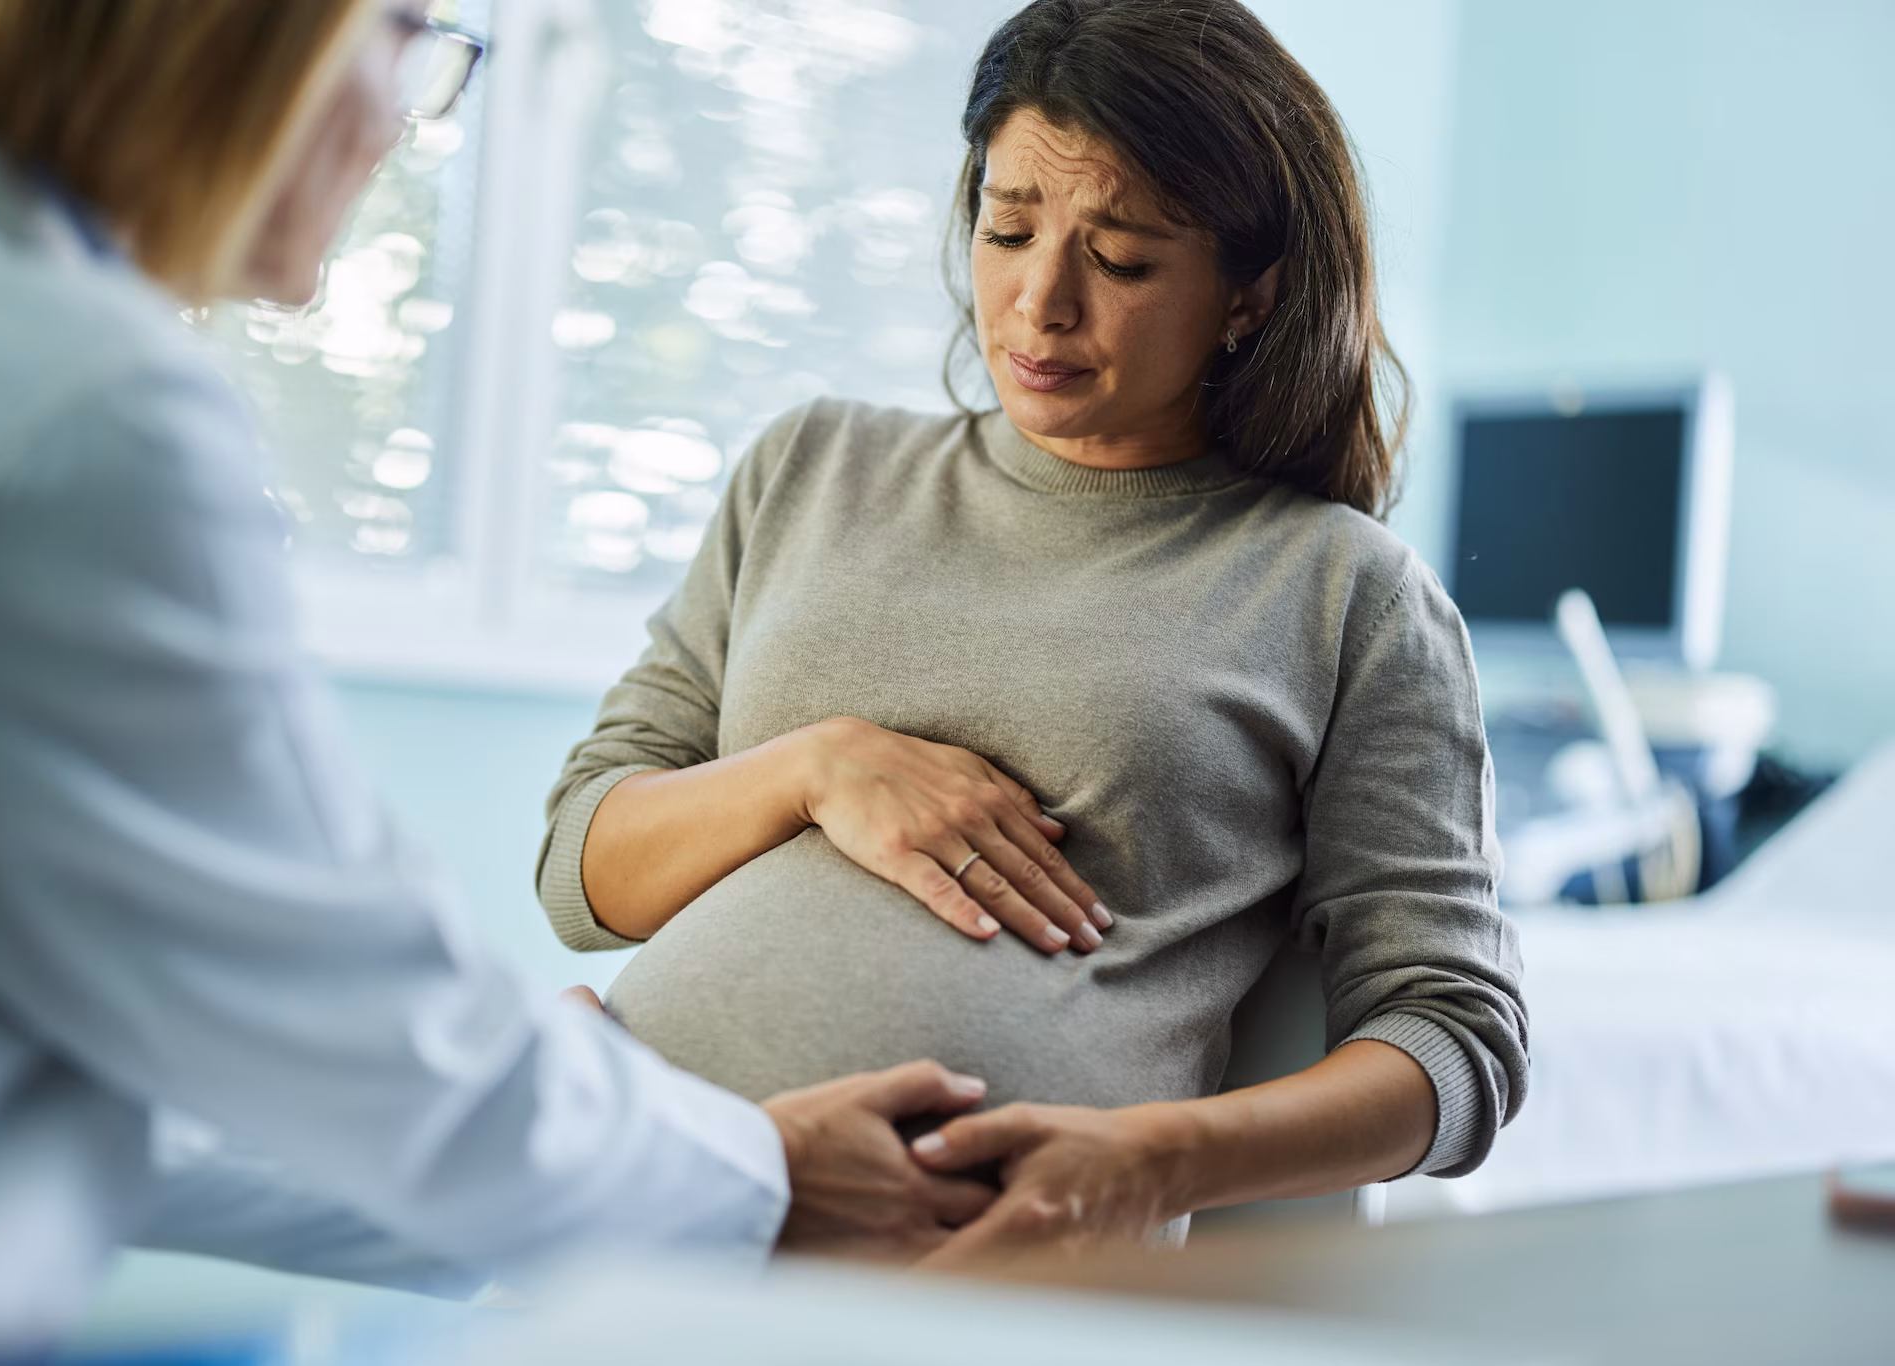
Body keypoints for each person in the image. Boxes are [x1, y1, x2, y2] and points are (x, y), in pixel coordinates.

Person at [0, 2, 999, 1358]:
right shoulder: (65, 412)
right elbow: (375, 1034)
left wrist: (657, 1142)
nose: (408, 111)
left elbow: (102, 1069)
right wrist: (746, 1171)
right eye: (401, 27)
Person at [540, 0, 1530, 1257]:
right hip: (623, 1198)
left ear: (1248, 293)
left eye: (1119, 260)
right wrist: (814, 767)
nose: (1038, 303)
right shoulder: (809, 467)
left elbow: (1456, 1039)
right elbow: (582, 867)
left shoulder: (1343, 593)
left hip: (969, 1277)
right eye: (1006, 228)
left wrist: (1151, 1157)